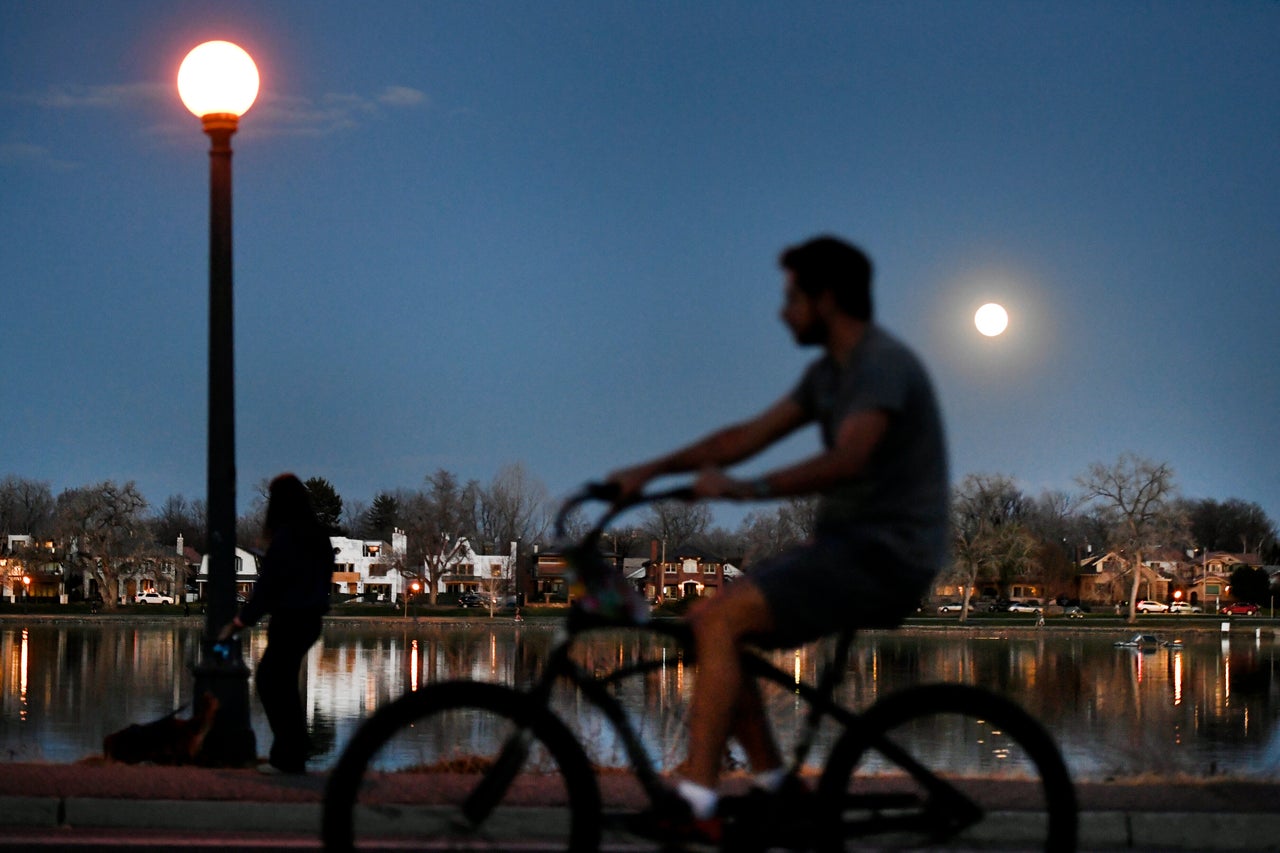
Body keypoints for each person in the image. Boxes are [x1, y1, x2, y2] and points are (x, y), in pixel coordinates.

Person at [607, 235, 949, 840]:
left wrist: (746, 490)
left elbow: (850, 459)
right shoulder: (827, 375)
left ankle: (696, 797)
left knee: (717, 622)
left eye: (792, 297)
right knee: (707, 620)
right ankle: (773, 786)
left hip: (886, 554)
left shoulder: (880, 364)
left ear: (827, 299)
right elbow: (743, 437)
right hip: (847, 549)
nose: (781, 311)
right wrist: (650, 472)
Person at [218, 473, 335, 774]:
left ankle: (289, 754)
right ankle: (293, 749)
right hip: (310, 621)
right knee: (281, 682)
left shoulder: (286, 536)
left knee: (271, 681)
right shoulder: (318, 536)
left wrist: (240, 621)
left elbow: (269, 585)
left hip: (289, 619)